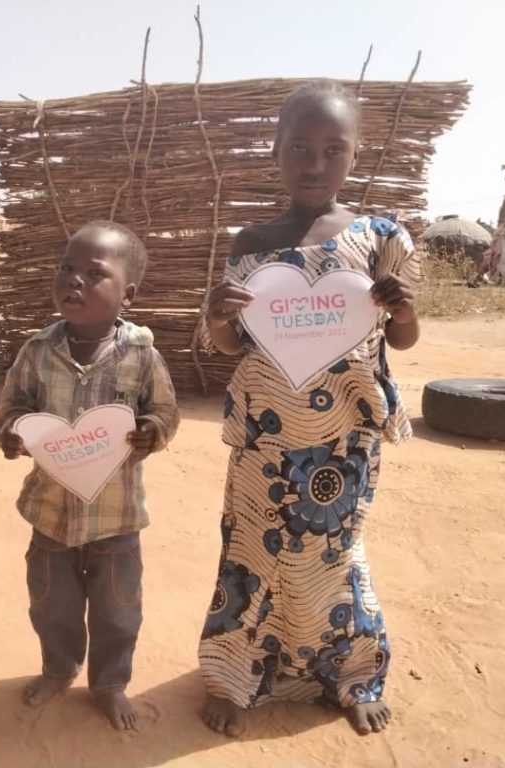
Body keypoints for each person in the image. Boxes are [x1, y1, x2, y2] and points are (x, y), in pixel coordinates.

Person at [197, 80, 423, 737]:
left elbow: (402, 338)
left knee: (334, 553)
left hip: (345, 436)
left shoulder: (382, 238)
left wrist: (404, 310)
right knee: (250, 555)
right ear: (276, 151)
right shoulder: (251, 240)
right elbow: (234, 342)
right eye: (299, 147)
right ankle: (234, 677)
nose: (315, 163)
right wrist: (216, 319)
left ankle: (353, 673)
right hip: (266, 433)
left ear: (356, 154)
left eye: (333, 148)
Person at [0, 220, 179, 730]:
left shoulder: (142, 356)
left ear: (127, 294)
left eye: (94, 274)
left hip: (116, 519)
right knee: (52, 605)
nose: (75, 281)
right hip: (50, 514)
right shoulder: (36, 351)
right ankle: (58, 667)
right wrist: (10, 433)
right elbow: (12, 406)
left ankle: (110, 683)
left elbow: (165, 411)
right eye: (67, 269)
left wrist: (150, 430)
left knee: (118, 610)